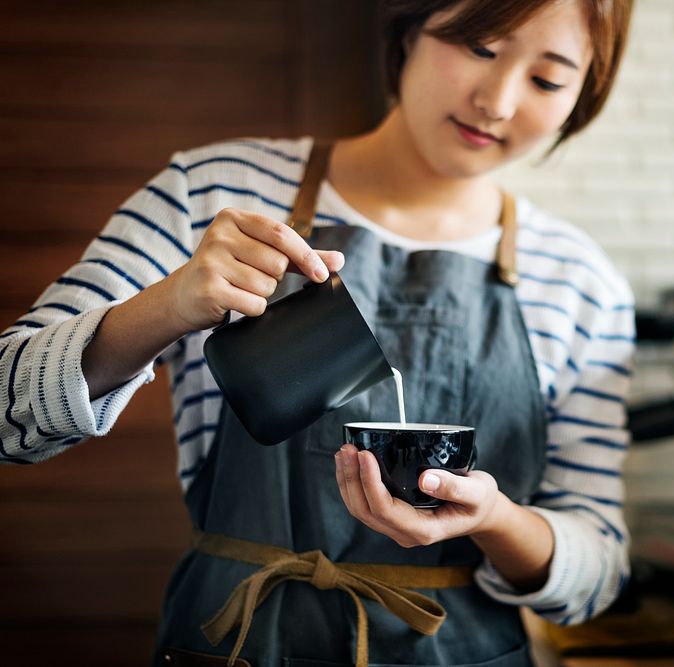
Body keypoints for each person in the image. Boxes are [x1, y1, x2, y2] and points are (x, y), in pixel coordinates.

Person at [0, 0, 636, 665]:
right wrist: (170, 305)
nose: (498, 101)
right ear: (409, 26)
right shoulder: (214, 192)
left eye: (547, 79)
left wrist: (497, 519)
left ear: (583, 95)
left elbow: (598, 572)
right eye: (479, 47)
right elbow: (5, 413)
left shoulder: (580, 283)